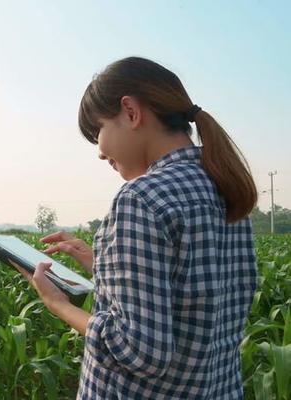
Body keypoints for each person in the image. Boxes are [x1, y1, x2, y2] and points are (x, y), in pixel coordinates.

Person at [13, 56, 258, 399]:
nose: (100, 152)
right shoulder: (225, 186)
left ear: (130, 111)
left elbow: (140, 351)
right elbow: (194, 297)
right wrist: (102, 265)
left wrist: (59, 305)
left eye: (98, 130)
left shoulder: (142, 197)